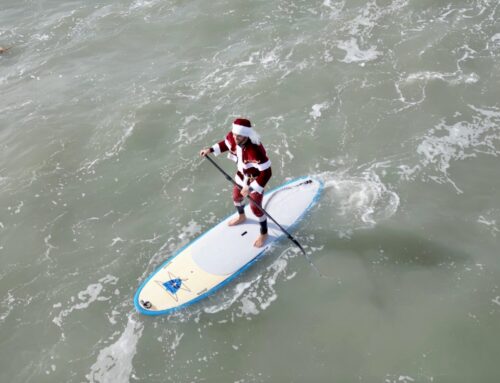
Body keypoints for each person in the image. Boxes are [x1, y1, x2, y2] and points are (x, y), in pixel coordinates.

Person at [200, 118, 272, 248]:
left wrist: (251, 188)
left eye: (238, 135)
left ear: (246, 135)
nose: (235, 137)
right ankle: (242, 216)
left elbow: (267, 173)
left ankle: (264, 233)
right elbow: (225, 144)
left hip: (254, 180)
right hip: (241, 176)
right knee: (236, 198)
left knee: (255, 209)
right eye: (234, 134)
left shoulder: (256, 150)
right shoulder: (233, 137)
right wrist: (210, 149)